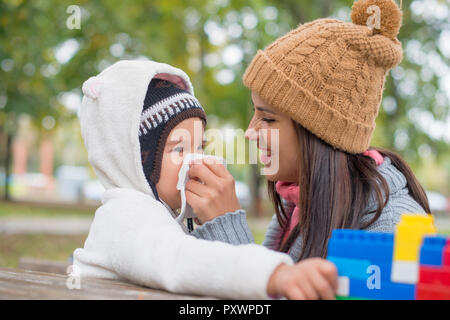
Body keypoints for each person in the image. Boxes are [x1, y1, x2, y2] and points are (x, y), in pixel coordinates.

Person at [188, 0, 431, 276]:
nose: (250, 131)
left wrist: (226, 229)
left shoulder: (390, 229)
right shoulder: (301, 199)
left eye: (268, 118)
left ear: (319, 133)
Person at [72, 60, 338, 300]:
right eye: (179, 149)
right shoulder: (124, 216)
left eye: (199, 147)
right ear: (137, 160)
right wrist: (275, 274)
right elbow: (180, 261)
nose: (196, 161)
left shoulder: (161, 213)